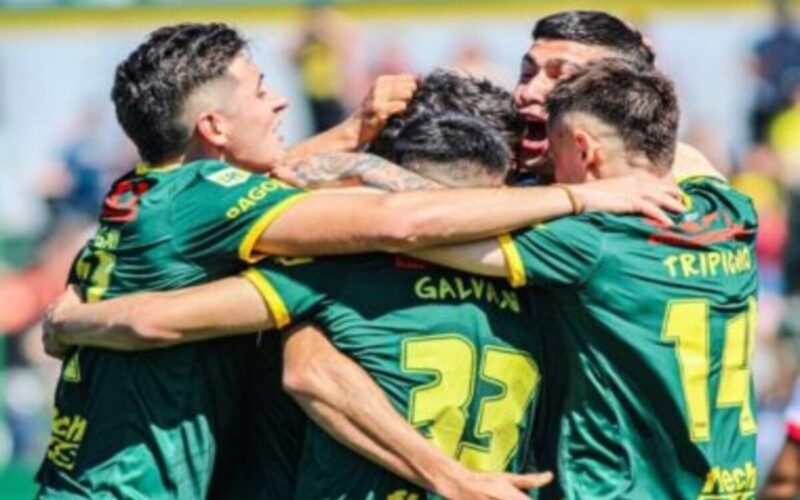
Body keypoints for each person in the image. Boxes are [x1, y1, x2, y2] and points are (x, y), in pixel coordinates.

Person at [36, 22, 676, 499]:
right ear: (213, 126)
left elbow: (276, 187)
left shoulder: (148, 194)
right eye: (261, 91)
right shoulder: (564, 253)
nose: (281, 103)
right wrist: (582, 195)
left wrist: (77, 324)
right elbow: (399, 221)